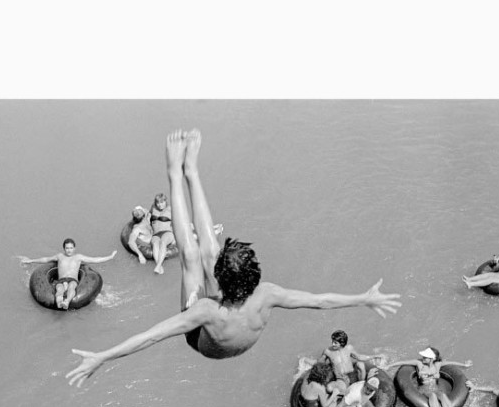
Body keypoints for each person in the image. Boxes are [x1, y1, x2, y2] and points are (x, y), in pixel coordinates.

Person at [67, 130, 402, 387]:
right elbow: (320, 301)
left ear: (221, 280)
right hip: (238, 337)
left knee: (191, 255)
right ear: (253, 276)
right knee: (209, 250)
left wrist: (103, 357)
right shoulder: (266, 293)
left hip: (206, 343)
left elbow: (151, 336)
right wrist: (364, 298)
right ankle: (192, 171)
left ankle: (176, 174)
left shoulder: (206, 310)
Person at [380, 347, 472, 407]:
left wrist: (464, 365)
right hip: (424, 388)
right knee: (432, 395)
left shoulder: (437, 365)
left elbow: (451, 363)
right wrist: (389, 366)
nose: (423, 358)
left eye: (425, 357)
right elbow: (403, 362)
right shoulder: (419, 363)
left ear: (432, 359)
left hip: (435, 387)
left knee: (443, 395)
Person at [21, 239, 117, 309]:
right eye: (67, 248)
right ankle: (59, 302)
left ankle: (66, 301)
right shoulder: (60, 256)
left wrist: (110, 257)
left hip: (72, 279)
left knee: (71, 287)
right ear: (64, 248)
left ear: (74, 248)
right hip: (61, 280)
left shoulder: (78, 257)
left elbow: (95, 259)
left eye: (71, 248)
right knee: (59, 289)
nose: (69, 250)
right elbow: (46, 259)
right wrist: (31, 260)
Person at [148, 193, 178, 275]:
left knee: (163, 242)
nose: (160, 205)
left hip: (167, 232)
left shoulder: (170, 209)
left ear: (165, 201)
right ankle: (159, 266)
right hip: (156, 234)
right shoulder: (153, 208)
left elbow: (177, 221)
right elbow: (148, 216)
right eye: (158, 203)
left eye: (162, 202)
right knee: (155, 243)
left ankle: (158, 266)